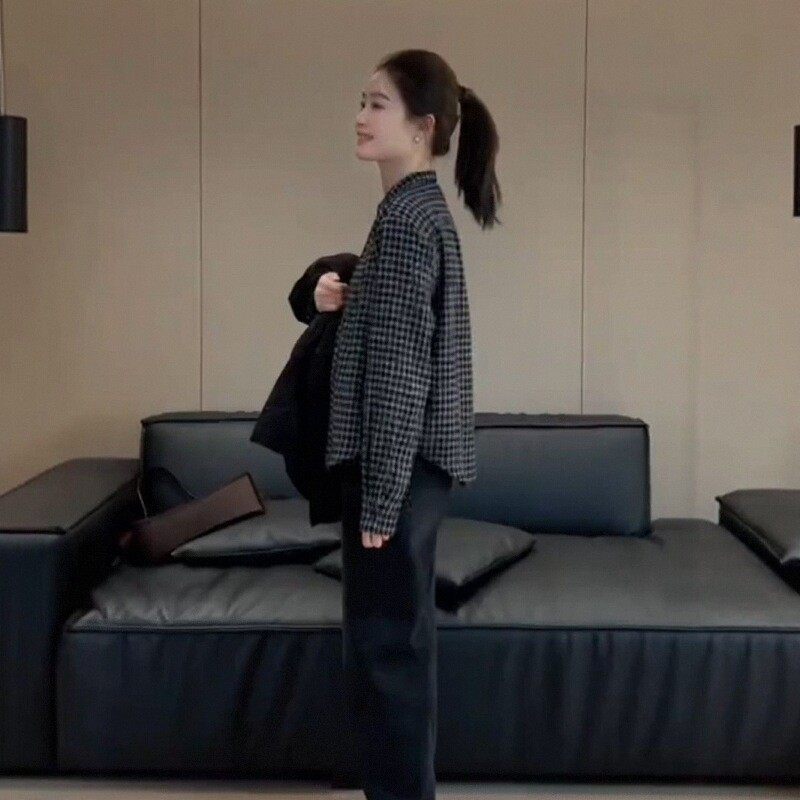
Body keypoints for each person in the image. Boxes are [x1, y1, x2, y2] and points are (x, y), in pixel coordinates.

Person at [319, 49, 502, 800]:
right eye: (361, 102)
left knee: (385, 658)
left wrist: (382, 498)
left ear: (423, 127)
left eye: (378, 104)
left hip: (394, 472)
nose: (361, 117)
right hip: (414, 471)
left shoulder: (404, 222)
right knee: (399, 651)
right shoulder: (417, 213)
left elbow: (399, 375)